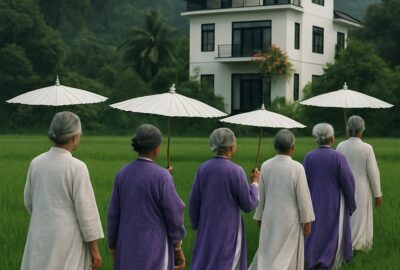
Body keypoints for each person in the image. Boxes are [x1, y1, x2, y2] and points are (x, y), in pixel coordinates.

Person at [21, 111, 104, 270]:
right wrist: (94, 249)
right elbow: (86, 212)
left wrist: (47, 216)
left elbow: (28, 202)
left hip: (39, 233)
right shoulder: (77, 167)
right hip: (67, 239)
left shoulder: (36, 163)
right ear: (75, 137)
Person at [108, 124, 186, 270]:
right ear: (156, 148)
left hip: (126, 246)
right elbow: (174, 214)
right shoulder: (162, 177)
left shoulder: (122, 174)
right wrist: (177, 248)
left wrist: (113, 245)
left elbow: (113, 214)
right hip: (154, 247)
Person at [189, 128, 259, 270]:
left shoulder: (203, 169)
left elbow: (194, 201)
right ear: (232, 147)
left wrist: (197, 225)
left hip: (207, 228)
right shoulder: (236, 171)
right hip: (229, 230)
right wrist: (255, 184)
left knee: (205, 262)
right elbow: (248, 204)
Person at [249, 129, 315, 270]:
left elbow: (262, 195)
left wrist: (259, 216)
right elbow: (303, 197)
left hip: (270, 218)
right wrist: (307, 220)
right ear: (292, 147)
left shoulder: (266, 166)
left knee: (268, 252)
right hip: (290, 220)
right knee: (288, 255)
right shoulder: (297, 168)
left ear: (275, 146)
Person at [304, 123, 356, 270]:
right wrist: (350, 205)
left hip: (313, 201)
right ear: (332, 138)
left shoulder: (309, 157)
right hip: (334, 202)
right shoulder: (339, 157)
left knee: (315, 232)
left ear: (316, 139)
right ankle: (329, 262)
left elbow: (305, 182)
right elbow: (349, 184)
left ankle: (312, 261)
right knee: (333, 232)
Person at [337, 116, 382, 251]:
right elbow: (373, 172)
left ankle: (346, 245)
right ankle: (359, 246)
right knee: (360, 217)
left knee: (346, 216)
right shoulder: (367, 148)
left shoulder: (340, 146)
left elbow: (337, 168)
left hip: (344, 188)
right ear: (362, 130)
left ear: (348, 129)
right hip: (361, 188)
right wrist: (377, 194)